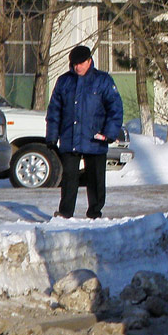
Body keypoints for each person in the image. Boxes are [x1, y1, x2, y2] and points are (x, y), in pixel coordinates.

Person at [46, 45, 124, 219]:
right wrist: (52, 136)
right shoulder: (64, 81)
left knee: (95, 178)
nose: (77, 67)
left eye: (81, 63)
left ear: (89, 61)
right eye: (74, 64)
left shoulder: (103, 81)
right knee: (69, 178)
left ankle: (95, 212)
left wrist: (109, 133)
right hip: (69, 137)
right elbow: (54, 111)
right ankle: (65, 212)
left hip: (95, 137)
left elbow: (115, 109)